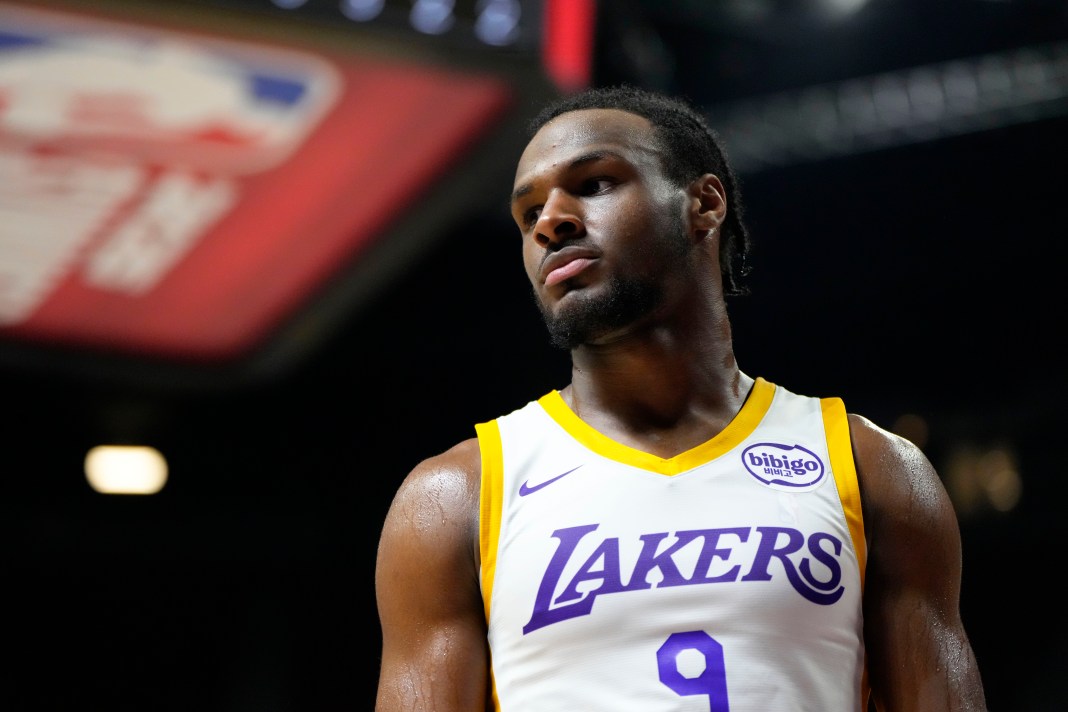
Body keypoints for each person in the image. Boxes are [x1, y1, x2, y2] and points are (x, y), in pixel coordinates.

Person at [374, 84, 988, 711]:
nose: (550, 222)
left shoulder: (868, 466)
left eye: (594, 184)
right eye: (528, 214)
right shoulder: (455, 497)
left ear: (704, 203)